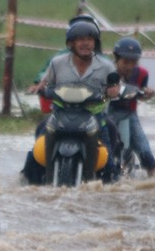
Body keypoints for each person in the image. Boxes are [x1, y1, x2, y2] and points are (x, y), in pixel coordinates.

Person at [37, 21, 121, 183]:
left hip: (94, 116)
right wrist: (40, 87)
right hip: (61, 113)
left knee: (110, 167)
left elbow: (115, 87)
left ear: (95, 43)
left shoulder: (107, 66)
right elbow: (46, 82)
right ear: (70, 43)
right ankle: (28, 179)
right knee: (34, 155)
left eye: (90, 39)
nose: (86, 43)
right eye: (80, 39)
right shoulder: (57, 63)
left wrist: (114, 90)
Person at [108, 37, 155, 177]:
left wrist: (147, 94)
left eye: (134, 62)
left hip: (129, 113)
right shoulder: (107, 72)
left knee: (144, 149)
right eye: (125, 62)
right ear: (116, 59)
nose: (130, 66)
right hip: (109, 113)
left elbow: (140, 94)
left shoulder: (142, 74)